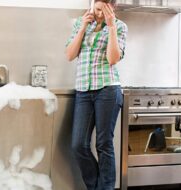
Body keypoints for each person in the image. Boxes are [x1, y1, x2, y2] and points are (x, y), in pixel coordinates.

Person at [65, 0, 128, 190]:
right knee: (78, 145)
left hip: (107, 90)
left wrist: (110, 28)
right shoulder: (80, 22)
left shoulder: (119, 27)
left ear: (112, 8)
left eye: (103, 10)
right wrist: (83, 26)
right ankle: (97, 187)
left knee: (104, 144)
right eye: (97, 8)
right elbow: (69, 55)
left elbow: (112, 58)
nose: (99, 13)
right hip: (83, 90)